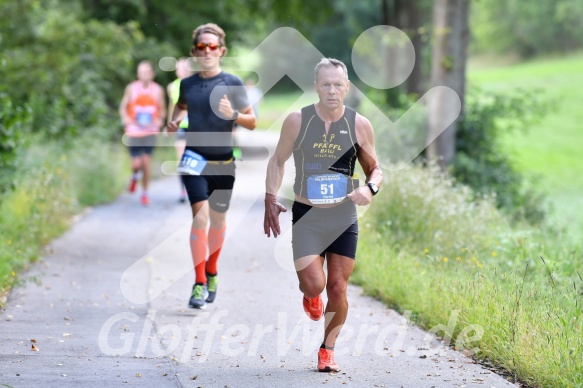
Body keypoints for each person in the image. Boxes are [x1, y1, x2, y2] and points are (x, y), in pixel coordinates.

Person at [264, 58, 382, 372]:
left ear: (347, 87)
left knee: (339, 287)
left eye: (338, 84)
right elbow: (277, 161)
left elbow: (375, 170)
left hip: (343, 216)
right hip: (308, 216)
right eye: (326, 84)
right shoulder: (297, 121)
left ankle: (327, 350)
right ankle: (311, 296)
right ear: (316, 87)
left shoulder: (359, 124)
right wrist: (270, 198)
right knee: (315, 285)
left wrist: (369, 189)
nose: (332, 90)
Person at [167, 23, 256, 309]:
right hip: (194, 159)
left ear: (221, 51)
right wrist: (174, 121)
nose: (207, 51)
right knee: (200, 219)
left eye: (212, 46)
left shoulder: (233, 83)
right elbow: (180, 106)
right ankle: (198, 283)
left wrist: (234, 115)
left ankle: (212, 271)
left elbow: (252, 121)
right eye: (201, 47)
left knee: (217, 222)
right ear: (194, 52)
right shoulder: (187, 84)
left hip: (223, 162)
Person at [119, 60, 166, 206]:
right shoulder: (131, 88)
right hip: (133, 131)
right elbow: (123, 106)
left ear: (152, 74)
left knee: (146, 162)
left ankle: (144, 193)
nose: (144, 75)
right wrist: (125, 118)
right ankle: (134, 176)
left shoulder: (158, 90)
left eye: (147, 72)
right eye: (141, 72)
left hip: (150, 131)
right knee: (136, 164)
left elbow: (162, 110)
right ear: (138, 74)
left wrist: (160, 121)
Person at [167, 57, 194, 203]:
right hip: (180, 127)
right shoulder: (172, 86)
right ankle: (184, 190)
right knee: (181, 158)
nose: (181, 71)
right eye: (179, 68)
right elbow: (171, 107)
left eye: (184, 68)